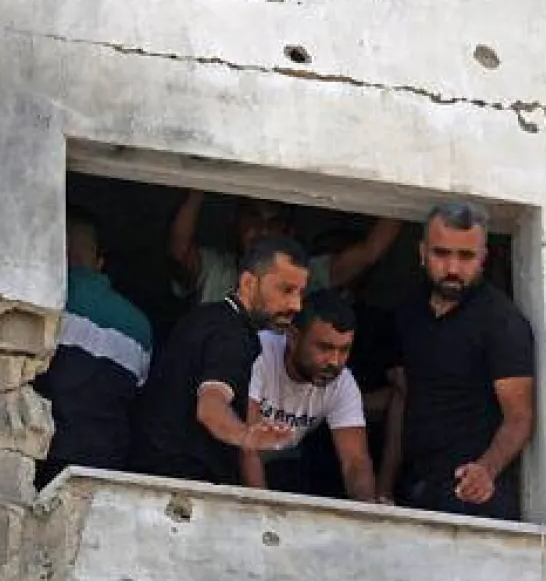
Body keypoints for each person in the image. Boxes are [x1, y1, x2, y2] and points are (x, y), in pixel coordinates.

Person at [380, 201, 535, 520]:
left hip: (471, 498)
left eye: (465, 257)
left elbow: (519, 417)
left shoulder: (501, 322)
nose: (452, 268)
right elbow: (403, 398)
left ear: (483, 258)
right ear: (422, 253)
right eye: (441, 253)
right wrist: (383, 488)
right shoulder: (409, 312)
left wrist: (486, 470)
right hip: (414, 490)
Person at [129, 236, 309, 485]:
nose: (297, 305)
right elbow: (210, 405)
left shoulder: (205, 317)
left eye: (301, 293)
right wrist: (246, 436)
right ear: (248, 283)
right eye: (286, 290)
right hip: (180, 487)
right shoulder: (232, 335)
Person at [33, 208, 154, 488]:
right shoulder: (140, 326)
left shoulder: (43, 303)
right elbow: (136, 394)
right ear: (99, 262)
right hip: (105, 462)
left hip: (44, 455)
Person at [238, 290, 381, 503]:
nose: (335, 361)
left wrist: (369, 514)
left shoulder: (342, 382)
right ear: (293, 337)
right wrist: (262, 514)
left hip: (281, 463)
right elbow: (247, 447)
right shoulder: (256, 352)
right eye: (325, 347)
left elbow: (355, 461)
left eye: (344, 350)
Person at [168, 189, 404, 302]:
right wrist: (199, 182)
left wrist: (405, 187)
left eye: (273, 223)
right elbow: (179, 250)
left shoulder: (303, 277)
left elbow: (369, 252)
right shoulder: (216, 269)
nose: (262, 230)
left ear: (288, 233)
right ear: (235, 221)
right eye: (253, 218)